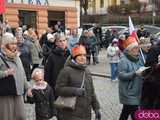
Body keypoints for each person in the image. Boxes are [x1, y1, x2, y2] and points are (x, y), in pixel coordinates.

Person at [55, 44, 101, 120]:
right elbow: (58, 89)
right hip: (71, 113)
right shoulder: (66, 71)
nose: (83, 58)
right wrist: (75, 91)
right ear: (74, 57)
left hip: (86, 114)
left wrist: (96, 108)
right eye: (80, 55)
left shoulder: (87, 71)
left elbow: (92, 92)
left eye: (84, 55)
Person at [0, 32, 29, 120]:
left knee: (21, 116)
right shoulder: (1, 57)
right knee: (7, 117)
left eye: (15, 43)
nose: (14, 46)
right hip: (6, 93)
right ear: (5, 44)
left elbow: (22, 73)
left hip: (18, 92)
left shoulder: (17, 57)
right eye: (11, 43)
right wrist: (5, 73)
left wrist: (27, 87)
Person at [118, 36, 144, 120]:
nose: (137, 50)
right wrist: (134, 73)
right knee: (135, 113)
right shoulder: (123, 60)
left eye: (137, 48)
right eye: (135, 48)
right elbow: (121, 75)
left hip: (137, 91)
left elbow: (142, 69)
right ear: (129, 50)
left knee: (125, 111)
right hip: (128, 92)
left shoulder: (139, 58)